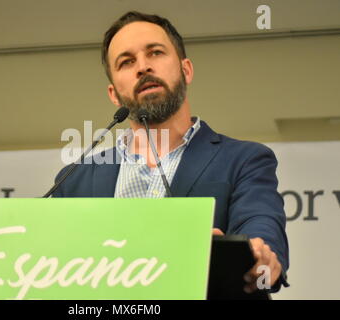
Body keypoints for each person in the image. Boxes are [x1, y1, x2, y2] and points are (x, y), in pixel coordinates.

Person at [53, 11, 289, 293]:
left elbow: (260, 224)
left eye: (155, 53)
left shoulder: (244, 160)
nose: (143, 67)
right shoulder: (73, 180)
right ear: (114, 93)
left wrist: (259, 251)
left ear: (186, 70)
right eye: (127, 62)